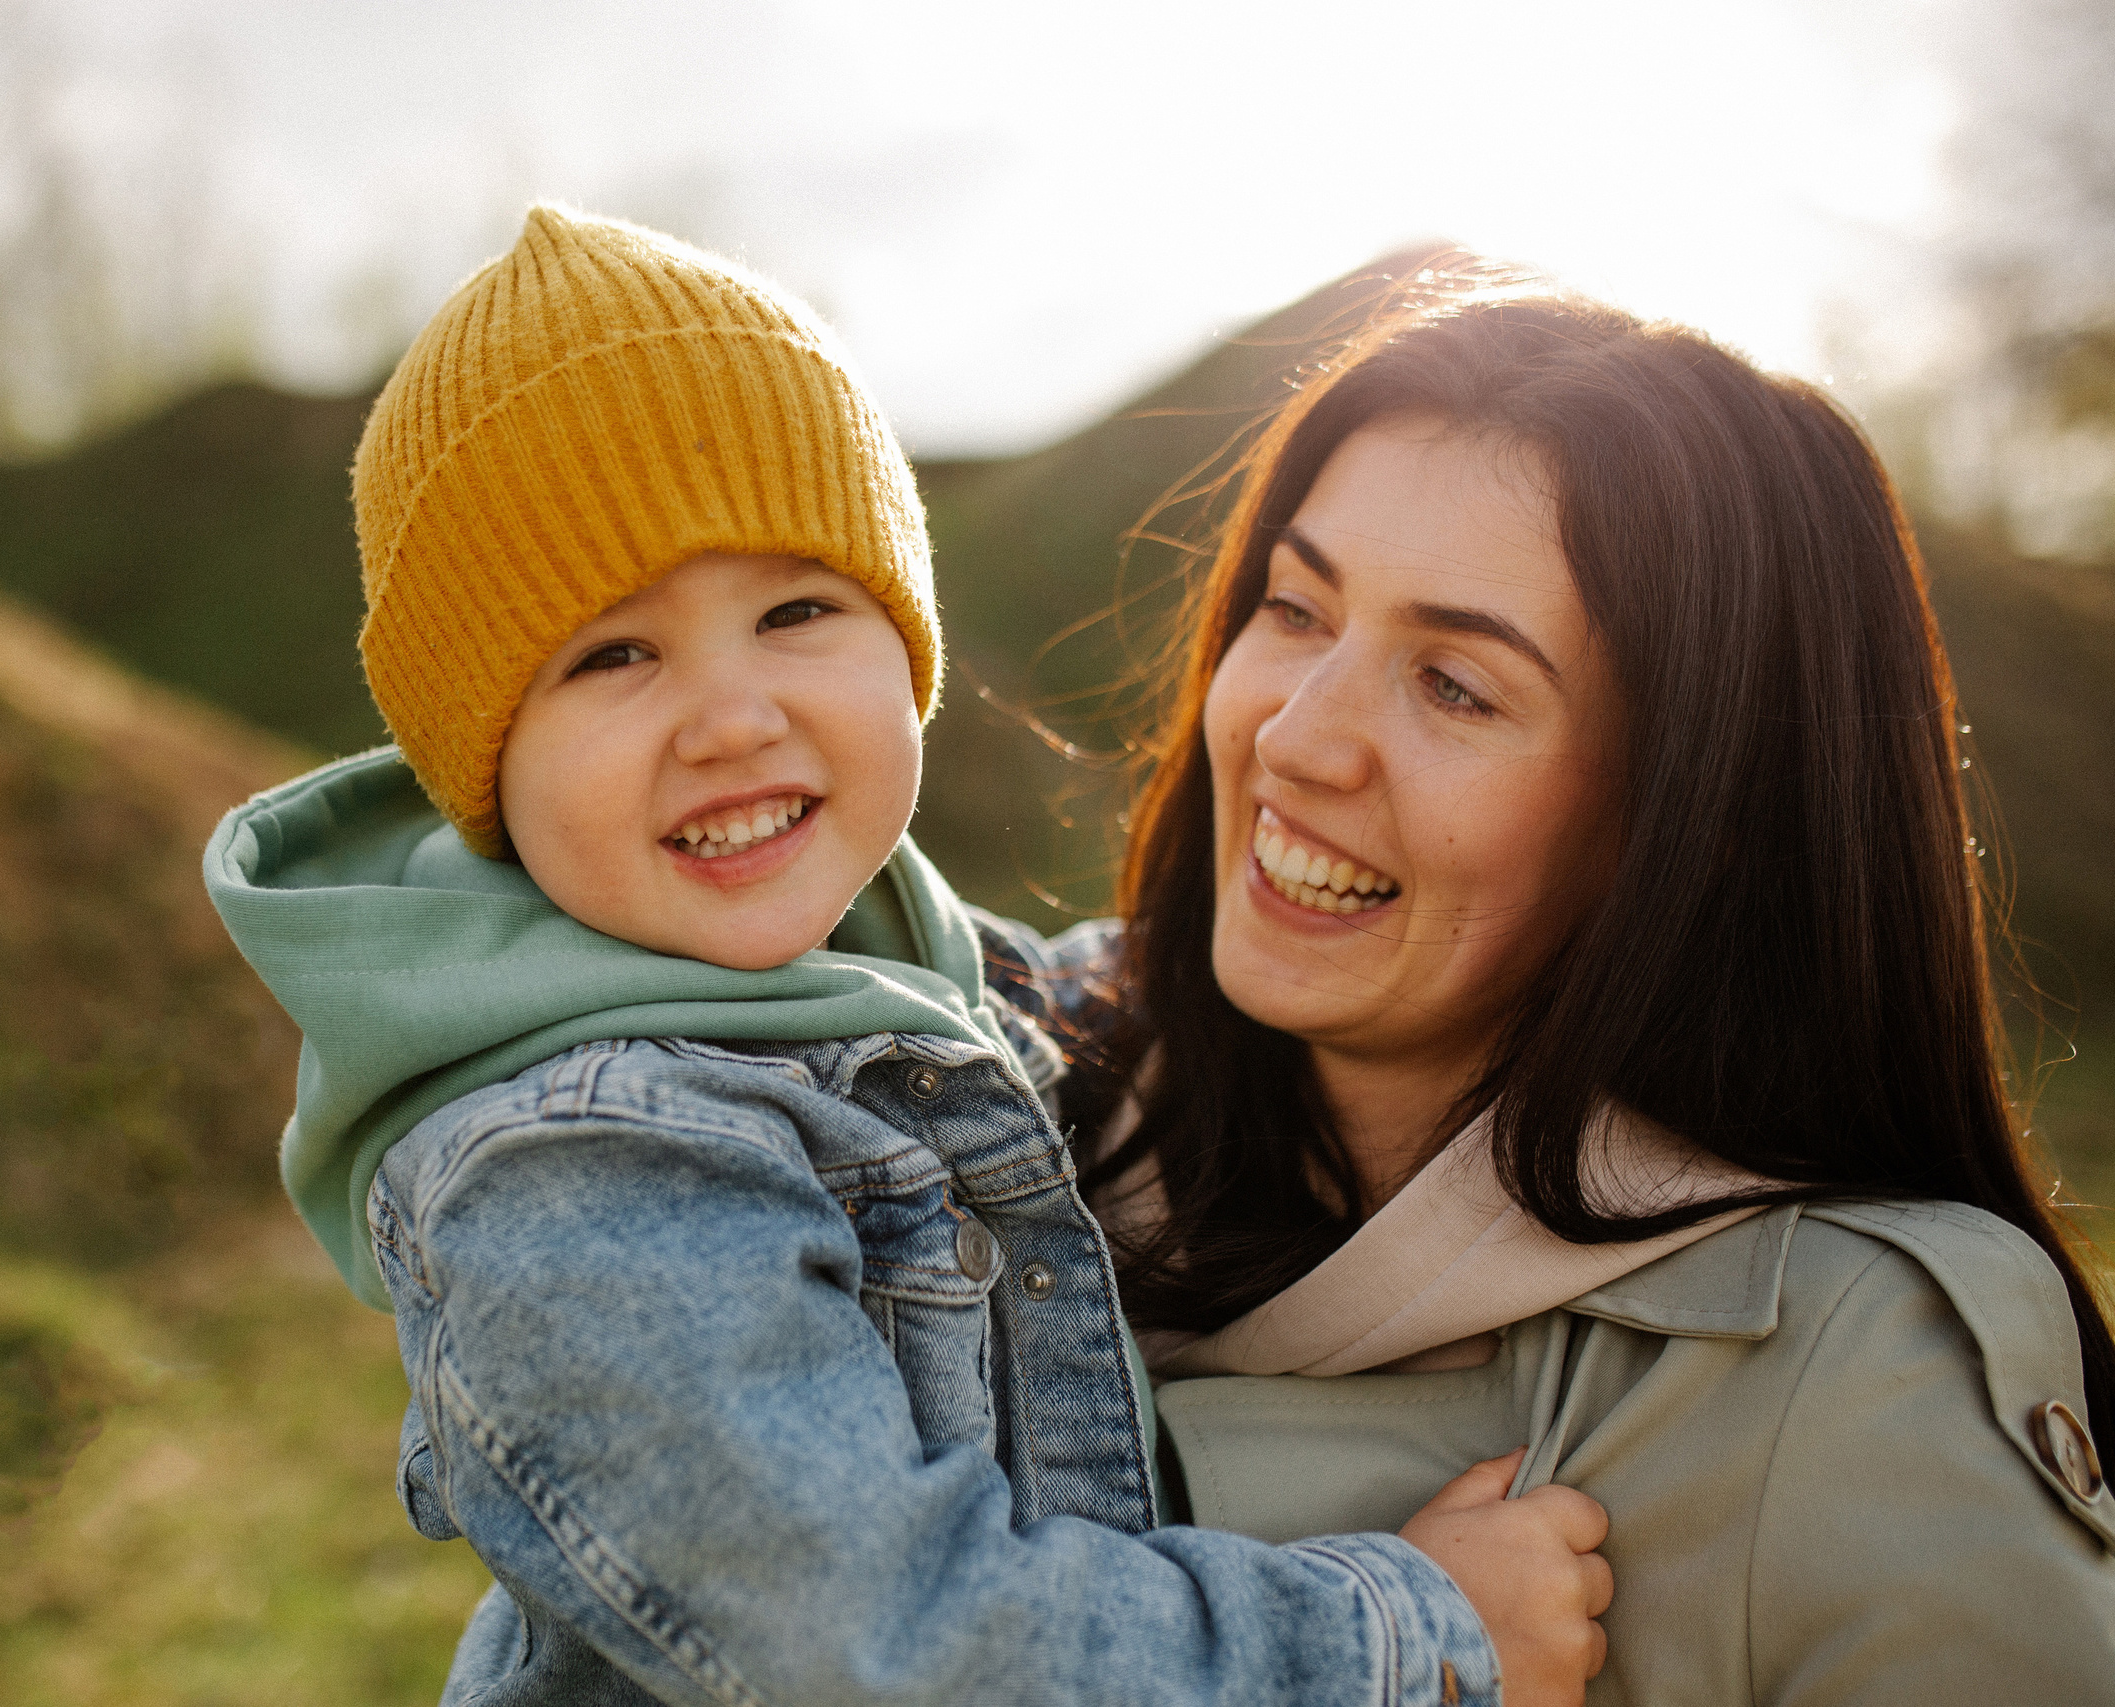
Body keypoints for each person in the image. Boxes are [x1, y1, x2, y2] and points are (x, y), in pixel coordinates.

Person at [205, 207, 1615, 1706]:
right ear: (482, 763)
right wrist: (1408, 1635)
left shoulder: (858, 960)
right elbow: (884, 1643)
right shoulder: (576, 1172)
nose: (734, 716)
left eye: (798, 609)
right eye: (614, 656)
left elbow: (1066, 997)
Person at [1006, 281, 2115, 1704]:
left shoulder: (1857, 1382)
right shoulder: (971, 1138)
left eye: (1456, 686)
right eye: (1294, 607)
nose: (1297, 733)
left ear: (1690, 816)